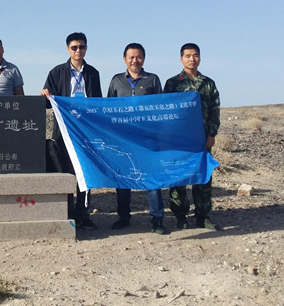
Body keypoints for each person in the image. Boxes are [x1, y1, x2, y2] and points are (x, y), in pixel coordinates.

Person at [40, 32, 102, 230]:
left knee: (85, 172)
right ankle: (67, 212)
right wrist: (45, 95)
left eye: (81, 47)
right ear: (68, 49)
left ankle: (83, 214)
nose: (78, 51)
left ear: (86, 49)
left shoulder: (93, 73)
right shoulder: (57, 72)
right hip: (64, 131)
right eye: (74, 47)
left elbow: (97, 103)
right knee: (66, 172)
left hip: (85, 131)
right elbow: (47, 103)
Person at [107, 43, 167, 234]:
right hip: (123, 139)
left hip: (147, 139)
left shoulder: (153, 80)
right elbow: (108, 109)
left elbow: (160, 107)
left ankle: (157, 219)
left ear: (144, 59)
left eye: (139, 57)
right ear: (124, 59)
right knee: (123, 178)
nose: (135, 60)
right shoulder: (116, 80)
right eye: (131, 57)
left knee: (152, 179)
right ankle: (123, 217)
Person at [163, 43, 221, 231]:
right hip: (179, 140)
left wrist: (212, 133)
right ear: (181, 59)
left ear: (200, 58)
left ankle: (203, 216)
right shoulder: (173, 83)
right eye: (187, 56)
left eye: (195, 55)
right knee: (179, 177)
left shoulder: (208, 83)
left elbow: (215, 109)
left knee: (203, 176)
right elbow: (166, 110)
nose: (192, 59)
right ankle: (180, 215)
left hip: (201, 139)